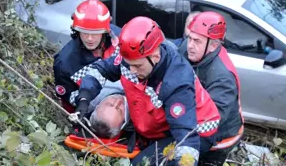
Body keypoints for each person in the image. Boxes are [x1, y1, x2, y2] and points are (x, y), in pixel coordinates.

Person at [72, 16, 221, 166]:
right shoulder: (132, 56)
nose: (131, 71)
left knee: (141, 163)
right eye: (129, 65)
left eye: (137, 66)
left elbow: (186, 138)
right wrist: (84, 98)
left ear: (155, 57)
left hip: (196, 130)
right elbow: (99, 71)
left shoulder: (176, 83)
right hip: (164, 124)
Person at [180, 11, 244, 165]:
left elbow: (212, 120)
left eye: (197, 41)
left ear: (214, 45)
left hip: (221, 138)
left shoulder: (223, 78)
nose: (190, 45)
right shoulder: (190, 49)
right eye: (189, 38)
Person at [53, 0, 121, 113]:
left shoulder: (119, 38)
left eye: (95, 33)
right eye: (84, 32)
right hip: (97, 110)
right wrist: (82, 103)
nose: (89, 38)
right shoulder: (65, 63)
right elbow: (68, 99)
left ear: (105, 31)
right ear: (76, 30)